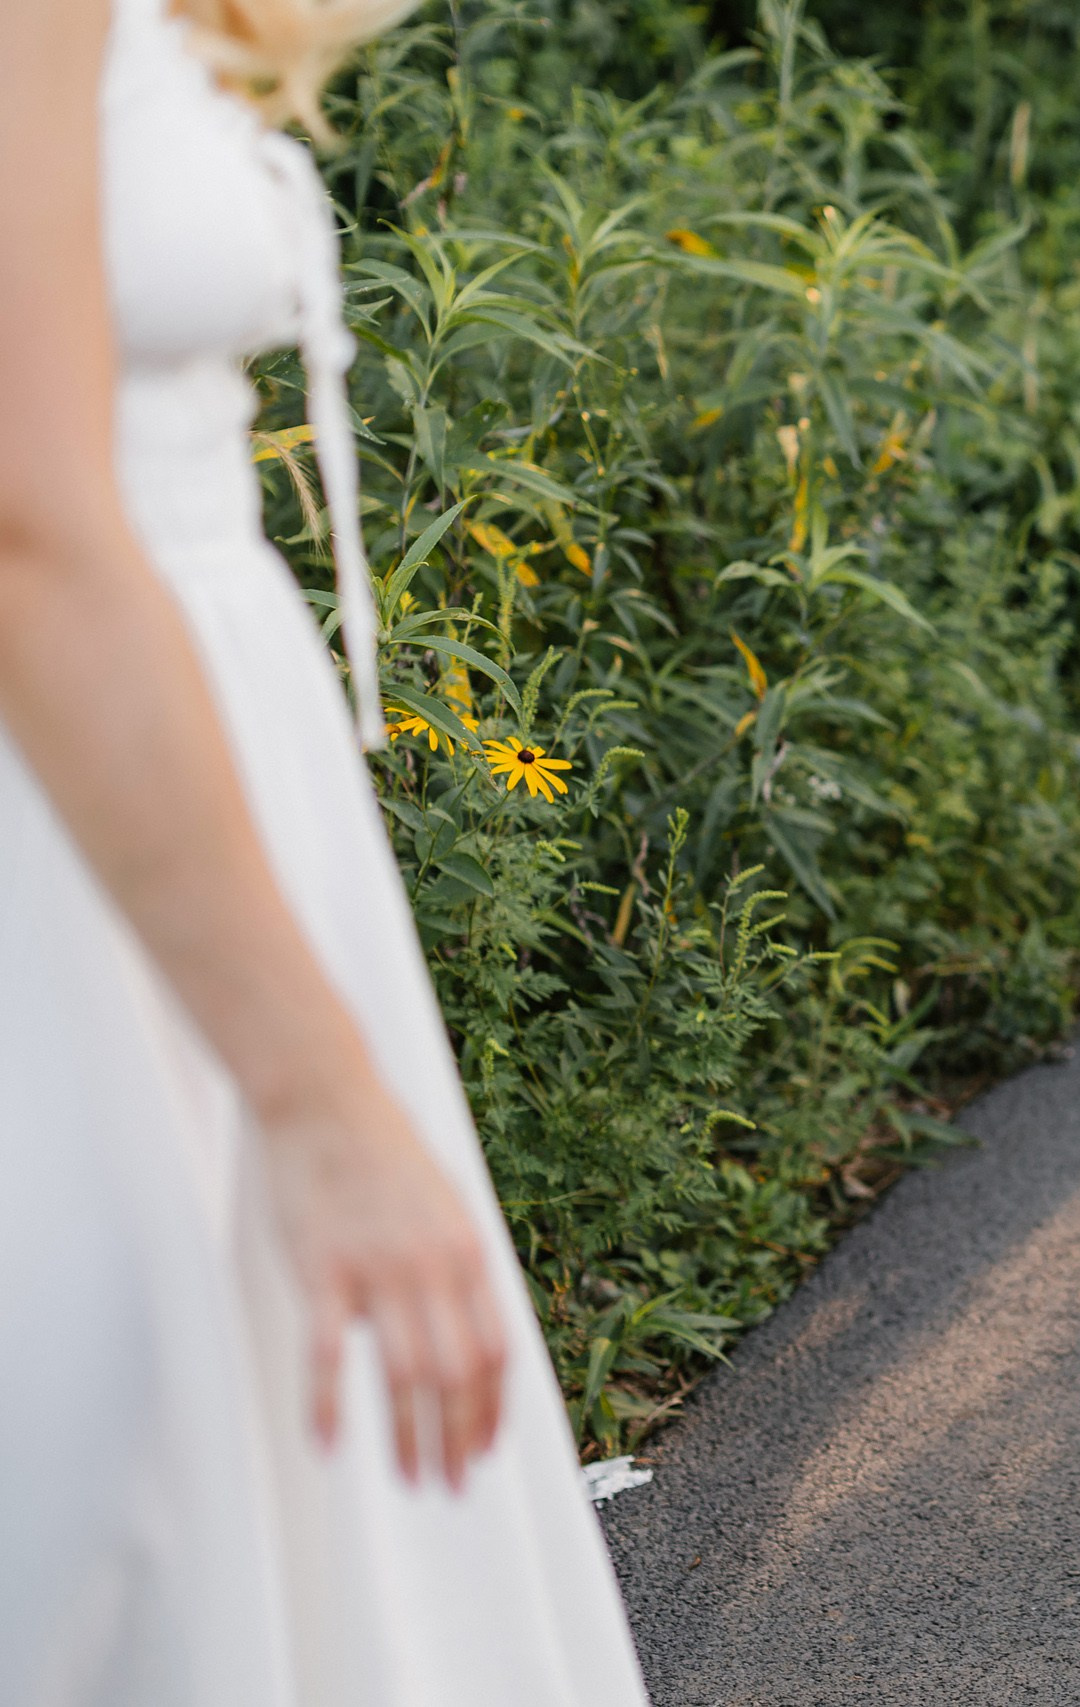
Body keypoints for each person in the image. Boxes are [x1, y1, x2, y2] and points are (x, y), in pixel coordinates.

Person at [0, 0, 649, 1699]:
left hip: (190, 786)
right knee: (127, 1516)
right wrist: (318, 1097)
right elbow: (26, 525)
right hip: (69, 836)